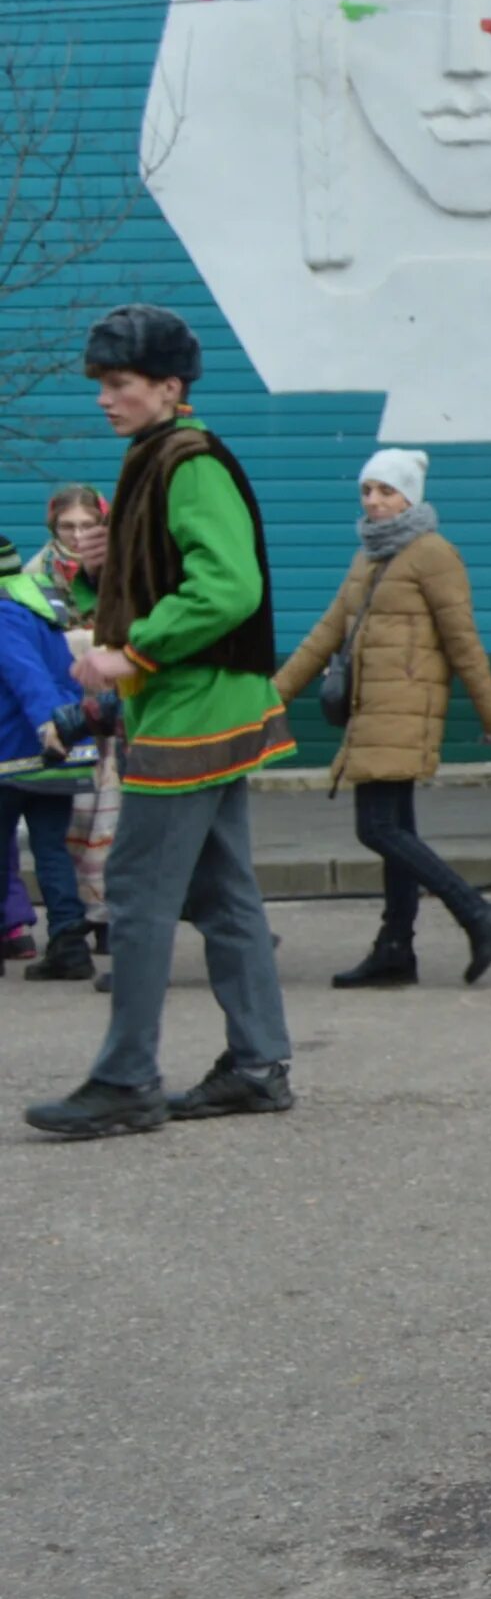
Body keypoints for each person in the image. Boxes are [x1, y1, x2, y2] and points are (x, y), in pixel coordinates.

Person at [26, 305, 298, 1140]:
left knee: (140, 893)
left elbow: (229, 590)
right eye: (104, 386)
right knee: (223, 894)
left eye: (120, 385)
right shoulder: (164, 454)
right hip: (209, 703)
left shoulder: (187, 462)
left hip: (191, 709)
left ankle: (126, 1079)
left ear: (169, 388)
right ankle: (257, 1065)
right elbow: (195, 571)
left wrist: (132, 650)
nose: (105, 399)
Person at [271, 449, 491, 990]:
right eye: (367, 490)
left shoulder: (433, 554)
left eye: (386, 491)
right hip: (373, 712)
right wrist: (273, 696)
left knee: (378, 827)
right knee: (395, 828)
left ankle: (477, 914)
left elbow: (464, 643)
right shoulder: (368, 558)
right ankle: (395, 949)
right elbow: (326, 632)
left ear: (411, 496)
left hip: (404, 711)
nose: (374, 501)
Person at [0, 531, 94, 983]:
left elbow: (27, 676)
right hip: (62, 756)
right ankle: (70, 943)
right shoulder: (41, 607)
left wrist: (47, 724)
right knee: (52, 850)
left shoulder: (2, 615)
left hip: (16, 754)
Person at [34, 486, 119, 956]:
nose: (78, 534)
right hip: (65, 716)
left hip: (117, 713)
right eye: (68, 526)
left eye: (88, 525)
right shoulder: (35, 577)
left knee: (111, 822)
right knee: (72, 822)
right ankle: (79, 919)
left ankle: (110, 919)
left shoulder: (118, 573)